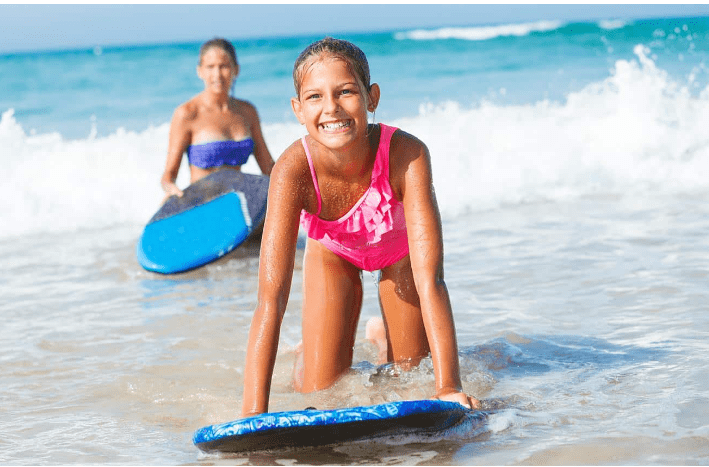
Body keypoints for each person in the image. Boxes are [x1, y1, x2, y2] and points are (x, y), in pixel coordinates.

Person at [241, 37, 480, 417]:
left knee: (411, 375)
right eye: (315, 97)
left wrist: (449, 387)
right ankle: (310, 352)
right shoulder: (292, 171)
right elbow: (270, 299)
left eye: (346, 91)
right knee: (319, 389)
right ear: (298, 109)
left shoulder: (407, 154)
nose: (331, 108)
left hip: (400, 255)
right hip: (334, 253)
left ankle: (383, 338)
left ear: (372, 97)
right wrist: (253, 416)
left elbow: (430, 279)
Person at [160, 38, 274, 201]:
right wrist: (170, 189)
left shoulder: (248, 112)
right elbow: (168, 176)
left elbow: (269, 168)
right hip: (200, 204)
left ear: (236, 70)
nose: (217, 74)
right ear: (200, 71)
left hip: (239, 206)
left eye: (224, 66)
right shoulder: (187, 113)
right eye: (210, 67)